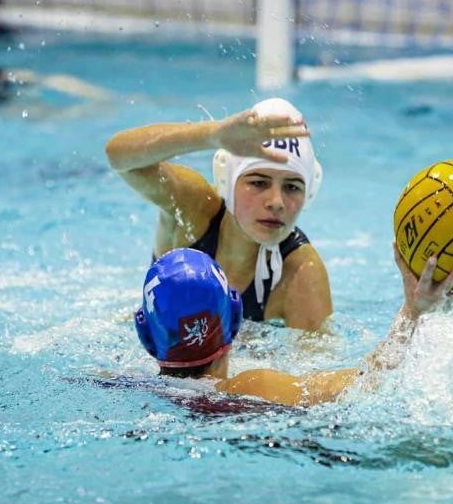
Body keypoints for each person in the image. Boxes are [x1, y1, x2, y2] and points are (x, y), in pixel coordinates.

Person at [133, 247, 453, 407]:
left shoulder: (128, 385)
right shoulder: (254, 388)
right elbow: (369, 379)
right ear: (235, 319)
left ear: (146, 336)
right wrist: (413, 310)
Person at [106, 98, 330, 332]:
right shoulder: (193, 209)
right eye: (258, 183)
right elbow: (119, 158)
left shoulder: (300, 274)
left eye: (292, 187)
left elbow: (316, 356)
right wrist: (211, 135)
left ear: (310, 192)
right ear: (227, 182)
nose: (276, 202)